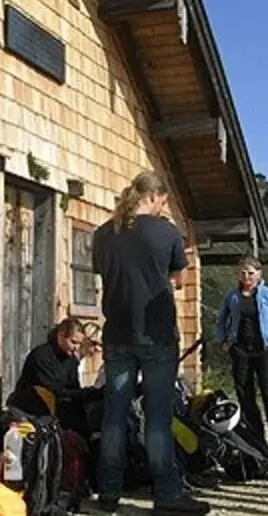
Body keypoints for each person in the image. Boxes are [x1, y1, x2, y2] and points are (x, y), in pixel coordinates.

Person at [92, 171, 210, 516]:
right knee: (157, 417)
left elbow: (106, 275)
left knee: (114, 415)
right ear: (156, 197)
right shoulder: (167, 232)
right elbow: (178, 280)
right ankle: (167, 494)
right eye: (163, 201)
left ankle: (109, 493)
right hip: (156, 335)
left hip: (116, 335)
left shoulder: (104, 233)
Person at [215, 255, 268, 462]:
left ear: (259, 274)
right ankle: (256, 440)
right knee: (245, 395)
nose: (247, 277)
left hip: (264, 349)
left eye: (251, 273)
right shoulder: (232, 296)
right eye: (243, 272)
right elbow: (222, 319)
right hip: (240, 349)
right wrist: (223, 340)